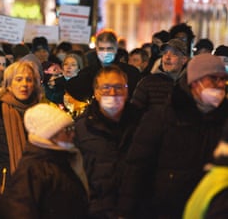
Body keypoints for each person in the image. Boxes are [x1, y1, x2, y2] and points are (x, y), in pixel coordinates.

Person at [118, 53, 228, 218]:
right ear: (195, 82)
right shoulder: (162, 117)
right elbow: (136, 168)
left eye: (223, 80)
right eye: (213, 79)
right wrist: (125, 211)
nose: (220, 85)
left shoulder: (223, 122)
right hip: (164, 211)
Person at [74, 66, 141, 218]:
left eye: (118, 87)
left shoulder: (142, 123)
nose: (112, 93)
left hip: (135, 210)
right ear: (96, 92)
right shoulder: (81, 128)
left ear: (127, 91)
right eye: (106, 88)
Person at [3, 103, 89, 219]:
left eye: (72, 128)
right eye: (67, 130)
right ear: (50, 134)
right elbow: (22, 211)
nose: (72, 134)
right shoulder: (33, 169)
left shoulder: (63, 160)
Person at [0, 60, 42, 190]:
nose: (24, 84)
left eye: (29, 80)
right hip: (2, 187)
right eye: (18, 79)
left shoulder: (42, 114)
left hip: (36, 185)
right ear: (8, 85)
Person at [68, 29, 141, 100]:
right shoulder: (87, 74)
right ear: (96, 49)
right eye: (102, 49)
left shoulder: (131, 73)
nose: (105, 52)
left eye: (109, 49)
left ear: (116, 49)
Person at [131, 39, 189, 114]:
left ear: (184, 60)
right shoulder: (148, 82)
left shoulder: (189, 85)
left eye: (173, 54)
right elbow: (134, 113)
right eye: (165, 53)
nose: (167, 57)